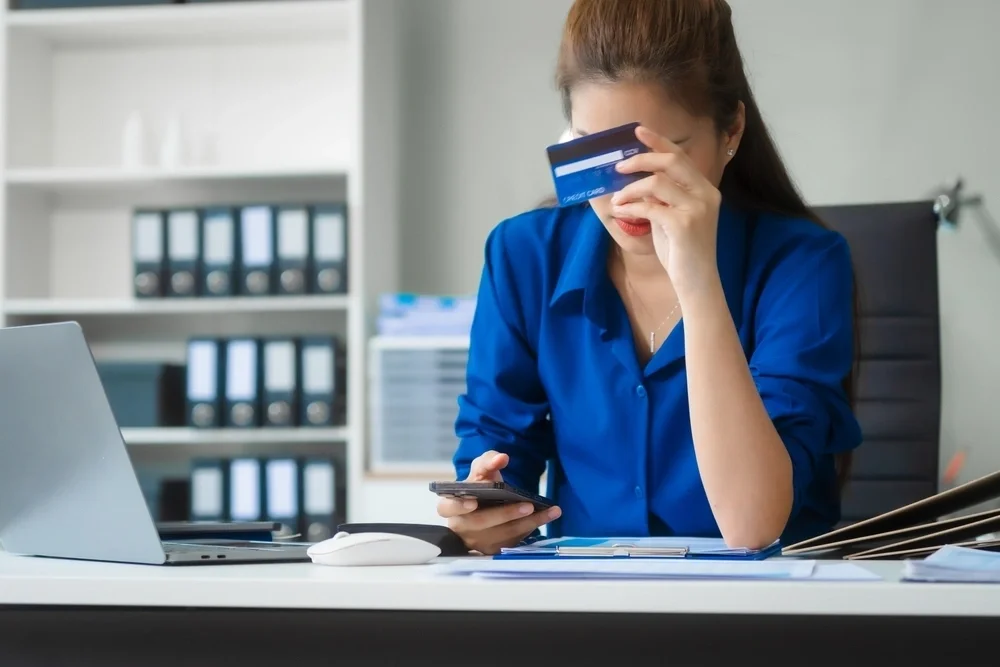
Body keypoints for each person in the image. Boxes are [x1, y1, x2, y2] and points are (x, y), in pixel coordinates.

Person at [437, 0, 863, 554]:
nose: (624, 193)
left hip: (761, 606)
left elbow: (755, 525)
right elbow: (495, 453)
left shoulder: (804, 264)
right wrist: (480, 511)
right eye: (596, 153)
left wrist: (697, 279)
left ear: (730, 129)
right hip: (586, 603)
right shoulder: (523, 255)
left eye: (657, 157)